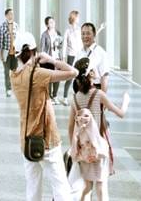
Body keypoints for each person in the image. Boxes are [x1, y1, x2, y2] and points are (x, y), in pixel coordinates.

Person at [11, 40, 77, 201]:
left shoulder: (13, 75)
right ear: (32, 52)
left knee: (33, 189)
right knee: (61, 187)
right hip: (46, 139)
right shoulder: (37, 74)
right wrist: (51, 60)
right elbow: (73, 72)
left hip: (26, 140)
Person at [68, 57, 130, 200]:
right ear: (90, 74)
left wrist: (75, 148)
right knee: (101, 187)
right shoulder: (99, 94)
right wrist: (126, 100)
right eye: (94, 69)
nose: (96, 71)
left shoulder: (75, 98)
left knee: (87, 186)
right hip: (99, 147)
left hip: (84, 149)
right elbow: (120, 113)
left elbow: (71, 127)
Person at [77, 22, 110, 91]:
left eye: (88, 33)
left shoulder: (101, 52)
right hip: (81, 89)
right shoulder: (80, 52)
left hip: (95, 89)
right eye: (83, 33)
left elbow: (105, 76)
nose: (85, 36)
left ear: (94, 35)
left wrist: (102, 99)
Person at [61, 10, 82, 102]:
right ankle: (65, 97)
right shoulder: (67, 31)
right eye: (78, 17)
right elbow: (64, 45)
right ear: (74, 18)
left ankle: (79, 97)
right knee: (70, 76)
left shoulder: (80, 29)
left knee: (80, 77)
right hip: (71, 56)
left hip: (79, 55)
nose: (79, 18)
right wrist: (63, 57)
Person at [40, 16, 63, 99]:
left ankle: (55, 95)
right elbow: (42, 49)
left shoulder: (58, 33)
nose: (52, 23)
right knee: (49, 78)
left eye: (53, 21)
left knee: (58, 77)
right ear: (47, 25)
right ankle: (49, 96)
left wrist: (61, 56)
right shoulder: (44, 35)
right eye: (50, 22)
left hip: (57, 58)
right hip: (48, 59)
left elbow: (61, 46)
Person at [0, 7, 18, 97]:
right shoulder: (2, 26)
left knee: (15, 71)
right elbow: (0, 41)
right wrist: (0, 53)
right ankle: (8, 89)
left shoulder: (16, 25)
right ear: (6, 16)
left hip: (15, 53)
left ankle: (15, 87)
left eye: (12, 14)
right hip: (6, 53)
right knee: (6, 72)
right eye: (10, 14)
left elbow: (18, 39)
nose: (11, 15)